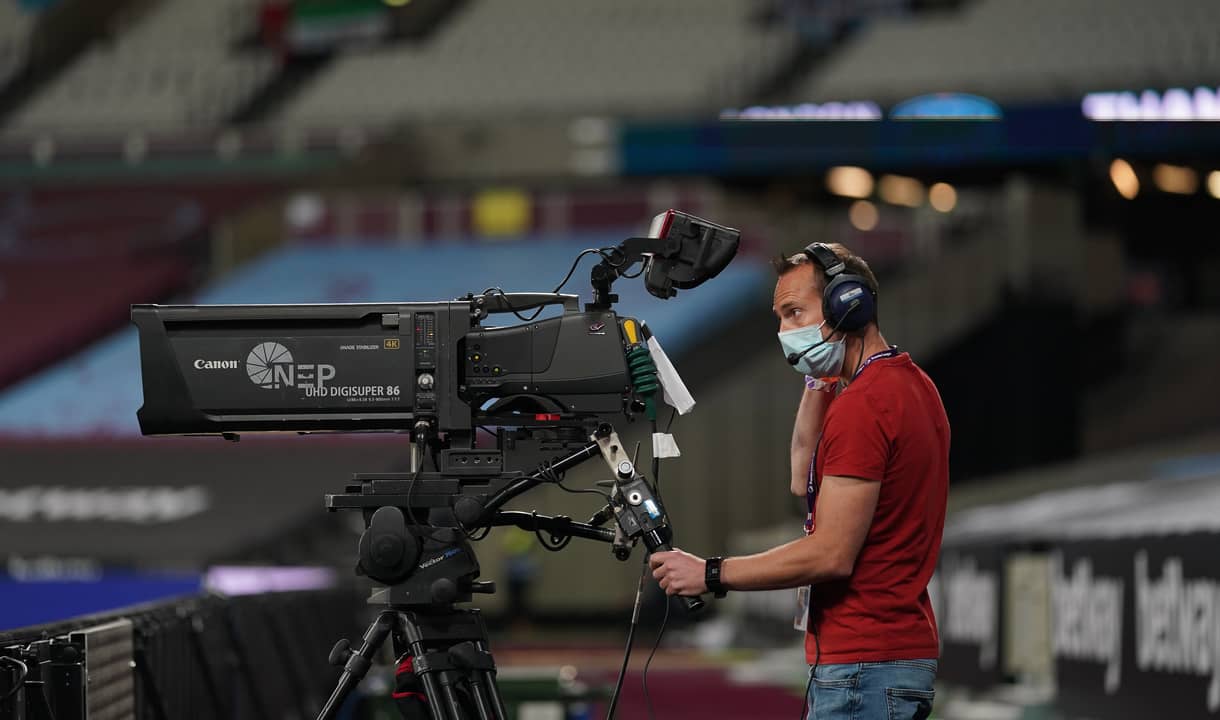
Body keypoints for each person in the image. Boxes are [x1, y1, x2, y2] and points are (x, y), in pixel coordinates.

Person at [649, 242, 950, 720]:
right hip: (882, 662)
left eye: (794, 313)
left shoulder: (866, 405)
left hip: (863, 668)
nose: (785, 332)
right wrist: (820, 376)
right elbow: (801, 475)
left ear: (846, 306)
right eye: (779, 318)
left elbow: (830, 553)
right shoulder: (907, 384)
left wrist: (709, 572)